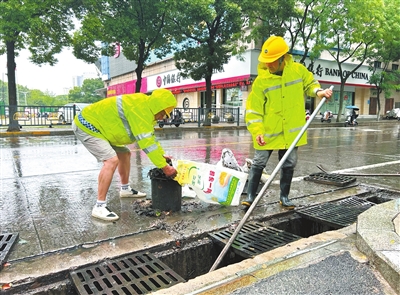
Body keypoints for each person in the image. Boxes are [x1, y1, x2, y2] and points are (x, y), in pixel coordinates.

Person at [242, 36, 332, 210]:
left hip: (291, 131)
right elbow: (253, 110)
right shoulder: (261, 81)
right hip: (267, 132)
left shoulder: (298, 71)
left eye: (272, 61)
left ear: (283, 58)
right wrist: (257, 131)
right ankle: (251, 196)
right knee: (259, 163)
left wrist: (319, 91)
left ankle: (284, 196)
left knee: (289, 164)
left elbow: (310, 84)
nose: (268, 65)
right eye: (266, 61)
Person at [72, 89, 178, 221]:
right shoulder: (141, 110)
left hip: (101, 128)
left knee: (124, 153)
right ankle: (99, 206)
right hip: (88, 126)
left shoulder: (146, 107)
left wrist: (162, 156)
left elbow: (150, 138)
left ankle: (125, 189)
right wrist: (164, 167)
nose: (163, 117)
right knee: (111, 160)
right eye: (163, 113)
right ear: (158, 107)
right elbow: (146, 144)